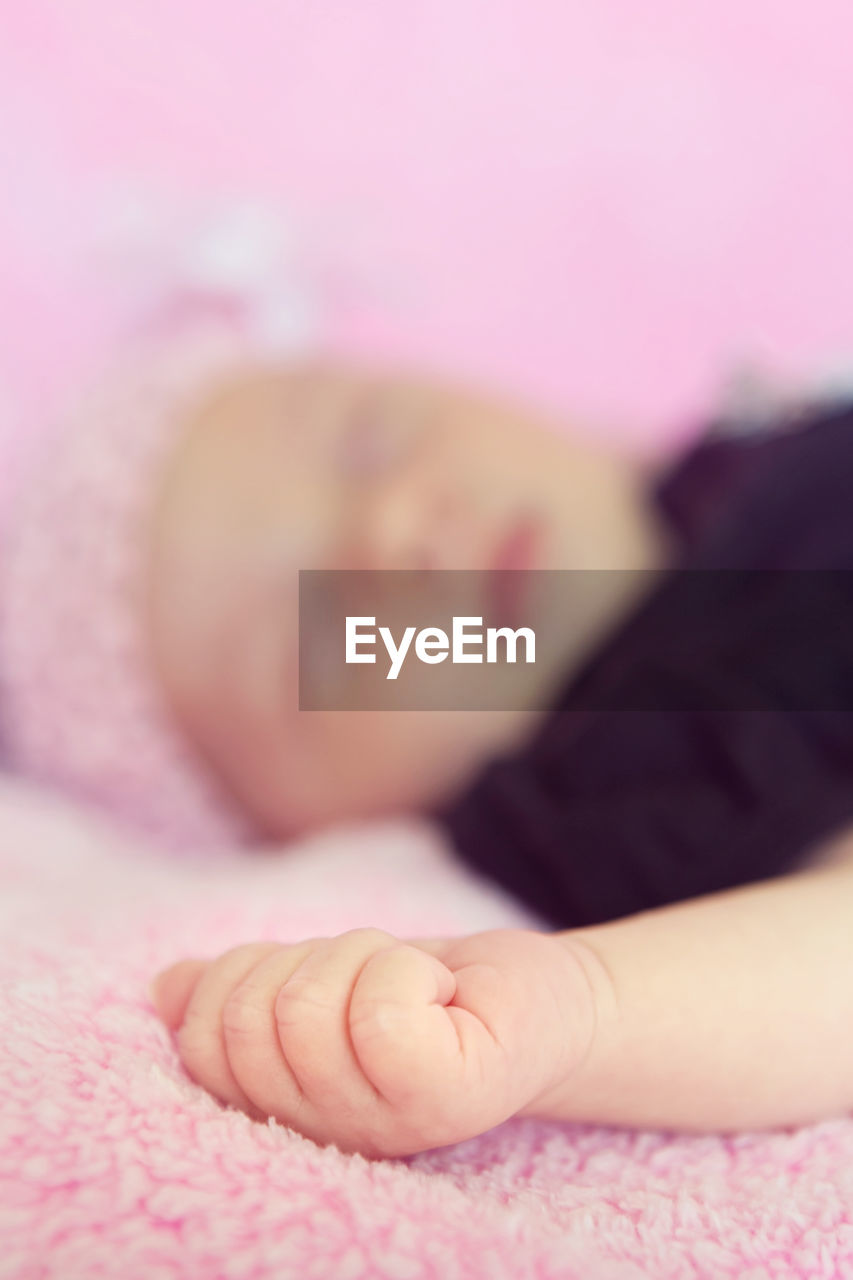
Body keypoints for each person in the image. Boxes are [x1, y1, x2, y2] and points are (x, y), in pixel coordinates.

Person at [3, 318, 853, 1158]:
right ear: (295, 832)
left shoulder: (745, 459)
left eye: (370, 441)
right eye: (322, 629)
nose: (394, 529)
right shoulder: (651, 781)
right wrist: (580, 1010)